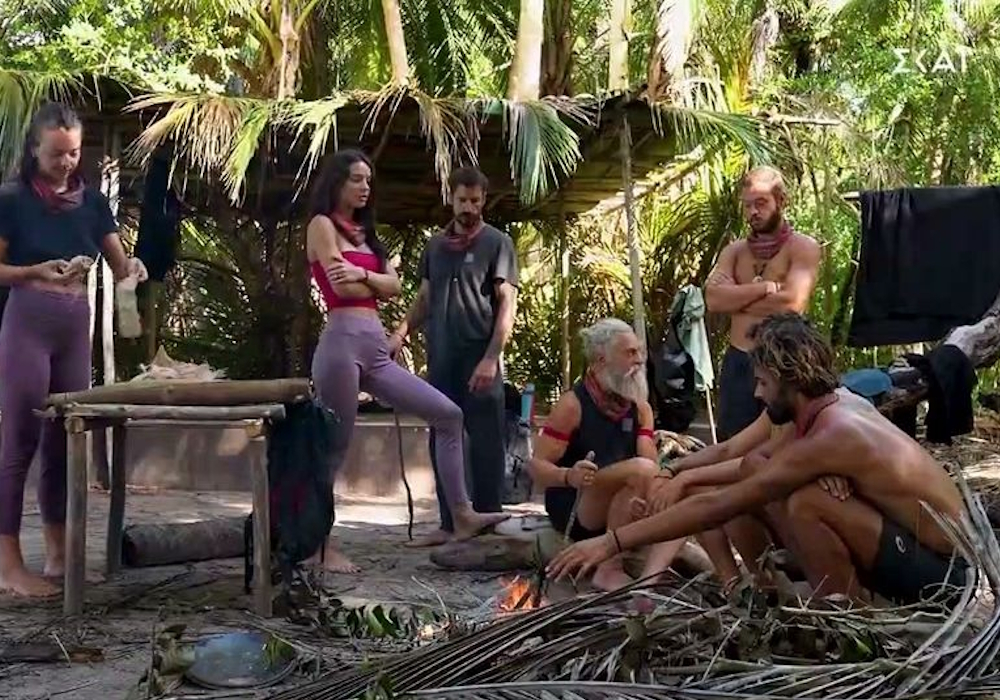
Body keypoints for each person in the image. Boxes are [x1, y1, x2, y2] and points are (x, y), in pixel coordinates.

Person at [549, 313, 970, 608]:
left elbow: (720, 504)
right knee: (760, 472)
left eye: (764, 383)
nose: (756, 394)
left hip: (943, 576)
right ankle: (771, 586)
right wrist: (681, 475)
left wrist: (611, 542)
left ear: (789, 381)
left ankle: (848, 614)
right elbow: (745, 465)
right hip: (906, 546)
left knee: (808, 502)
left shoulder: (835, 432)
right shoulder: (826, 406)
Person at [307, 150, 509, 572]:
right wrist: (375, 282)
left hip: (375, 349)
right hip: (341, 343)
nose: (365, 187)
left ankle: (462, 515)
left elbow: (395, 287)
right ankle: (317, 544)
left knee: (448, 415)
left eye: (368, 180)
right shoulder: (322, 225)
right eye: (357, 179)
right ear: (338, 182)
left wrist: (364, 276)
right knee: (332, 448)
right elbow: (341, 289)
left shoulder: (366, 234)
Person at [0, 102, 149, 597]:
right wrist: (32, 272)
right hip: (28, 320)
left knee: (65, 438)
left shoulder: (92, 202)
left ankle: (59, 555)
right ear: (34, 150)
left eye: (74, 153)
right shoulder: (12, 199)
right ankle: (8, 564)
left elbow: (121, 264)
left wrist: (134, 271)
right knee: (20, 439)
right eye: (56, 154)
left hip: (73, 323)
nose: (66, 163)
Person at [530, 318, 734, 591]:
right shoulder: (572, 405)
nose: (639, 360)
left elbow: (650, 465)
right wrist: (568, 476)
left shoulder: (640, 408)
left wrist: (650, 496)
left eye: (639, 351)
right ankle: (609, 567)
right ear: (601, 360)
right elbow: (536, 466)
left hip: (623, 499)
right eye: (630, 353)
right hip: (577, 506)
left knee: (684, 492)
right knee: (641, 470)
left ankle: (653, 583)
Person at [390, 167, 518, 547]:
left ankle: (488, 524)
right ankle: (449, 523)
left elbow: (507, 304)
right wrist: (399, 333)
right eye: (462, 200)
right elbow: (425, 298)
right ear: (451, 198)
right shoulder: (435, 247)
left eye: (475, 201)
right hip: (442, 358)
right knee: (442, 435)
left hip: (481, 359)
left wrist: (491, 358)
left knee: (486, 441)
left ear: (484, 200)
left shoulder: (498, 243)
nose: (469, 208)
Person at [705, 166, 821, 441]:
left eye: (761, 203)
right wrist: (766, 288)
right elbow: (713, 300)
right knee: (733, 440)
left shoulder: (802, 247)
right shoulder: (734, 252)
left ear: (781, 201)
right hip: (739, 361)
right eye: (747, 205)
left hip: (783, 363)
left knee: (785, 442)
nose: (753, 212)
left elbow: (791, 304)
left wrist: (735, 299)